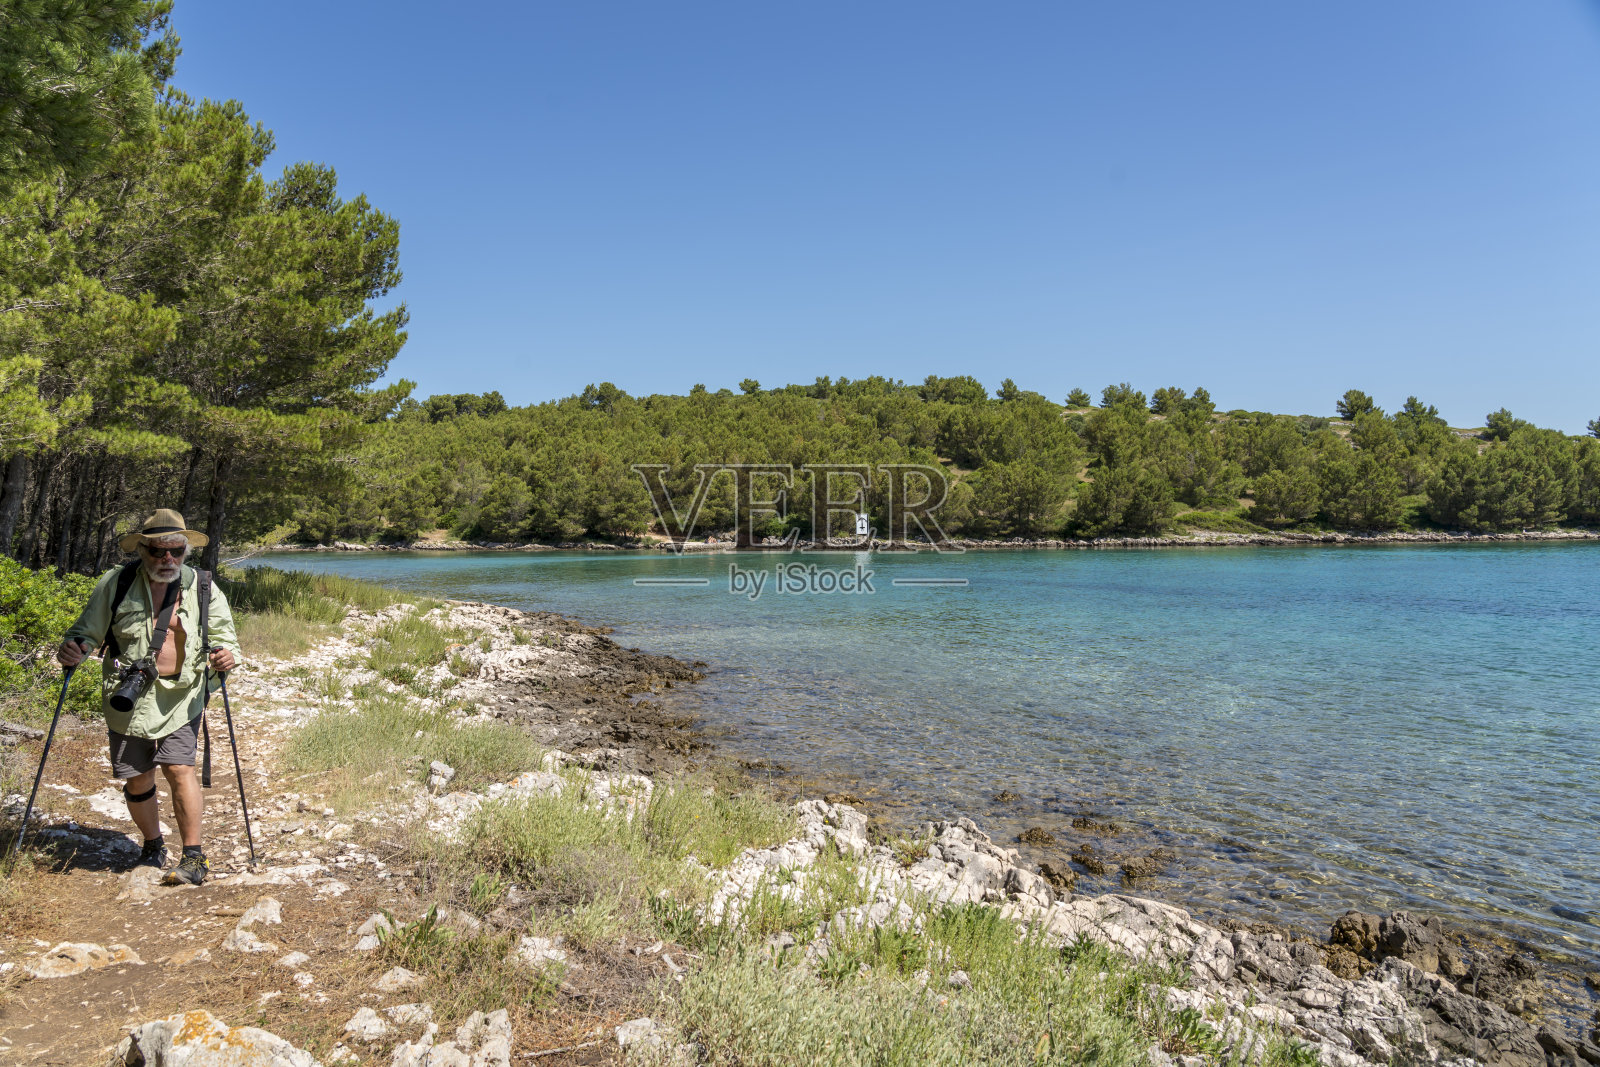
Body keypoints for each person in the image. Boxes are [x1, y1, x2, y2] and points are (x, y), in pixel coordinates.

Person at [57, 509, 241, 886]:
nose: (167, 559)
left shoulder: (202, 586)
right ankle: (152, 846)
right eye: (158, 552)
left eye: (175, 550)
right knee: (137, 778)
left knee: (178, 768)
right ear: (142, 550)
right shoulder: (117, 582)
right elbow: (86, 631)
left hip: (183, 695)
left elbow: (225, 636)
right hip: (127, 696)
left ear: (185, 550)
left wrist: (226, 655)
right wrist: (74, 648)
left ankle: (193, 857)